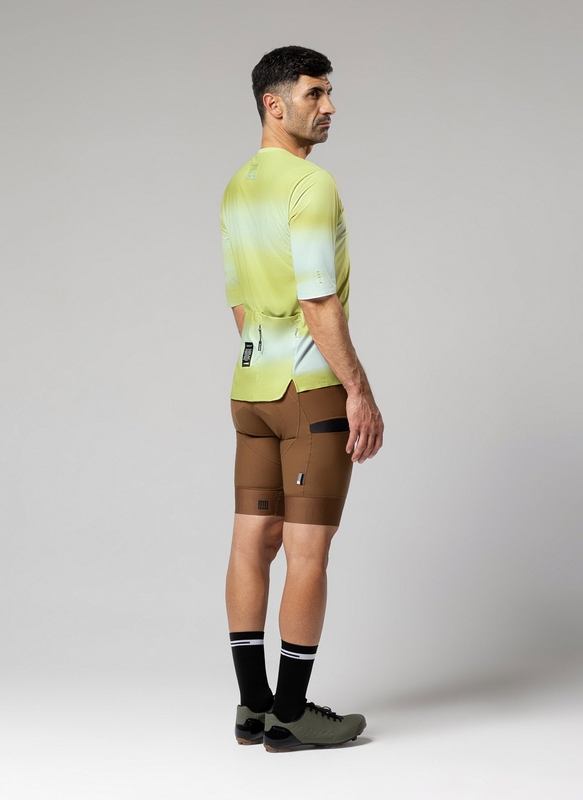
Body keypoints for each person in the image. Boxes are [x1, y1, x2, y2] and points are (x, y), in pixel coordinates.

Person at [221, 45, 384, 753]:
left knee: (250, 542)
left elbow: (239, 302)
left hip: (251, 389)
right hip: (309, 390)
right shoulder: (311, 185)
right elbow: (319, 300)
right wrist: (359, 391)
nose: (329, 106)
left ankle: (252, 709)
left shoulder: (237, 187)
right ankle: (291, 714)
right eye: (315, 93)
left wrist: (268, 358)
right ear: (274, 103)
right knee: (306, 549)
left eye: (328, 93)